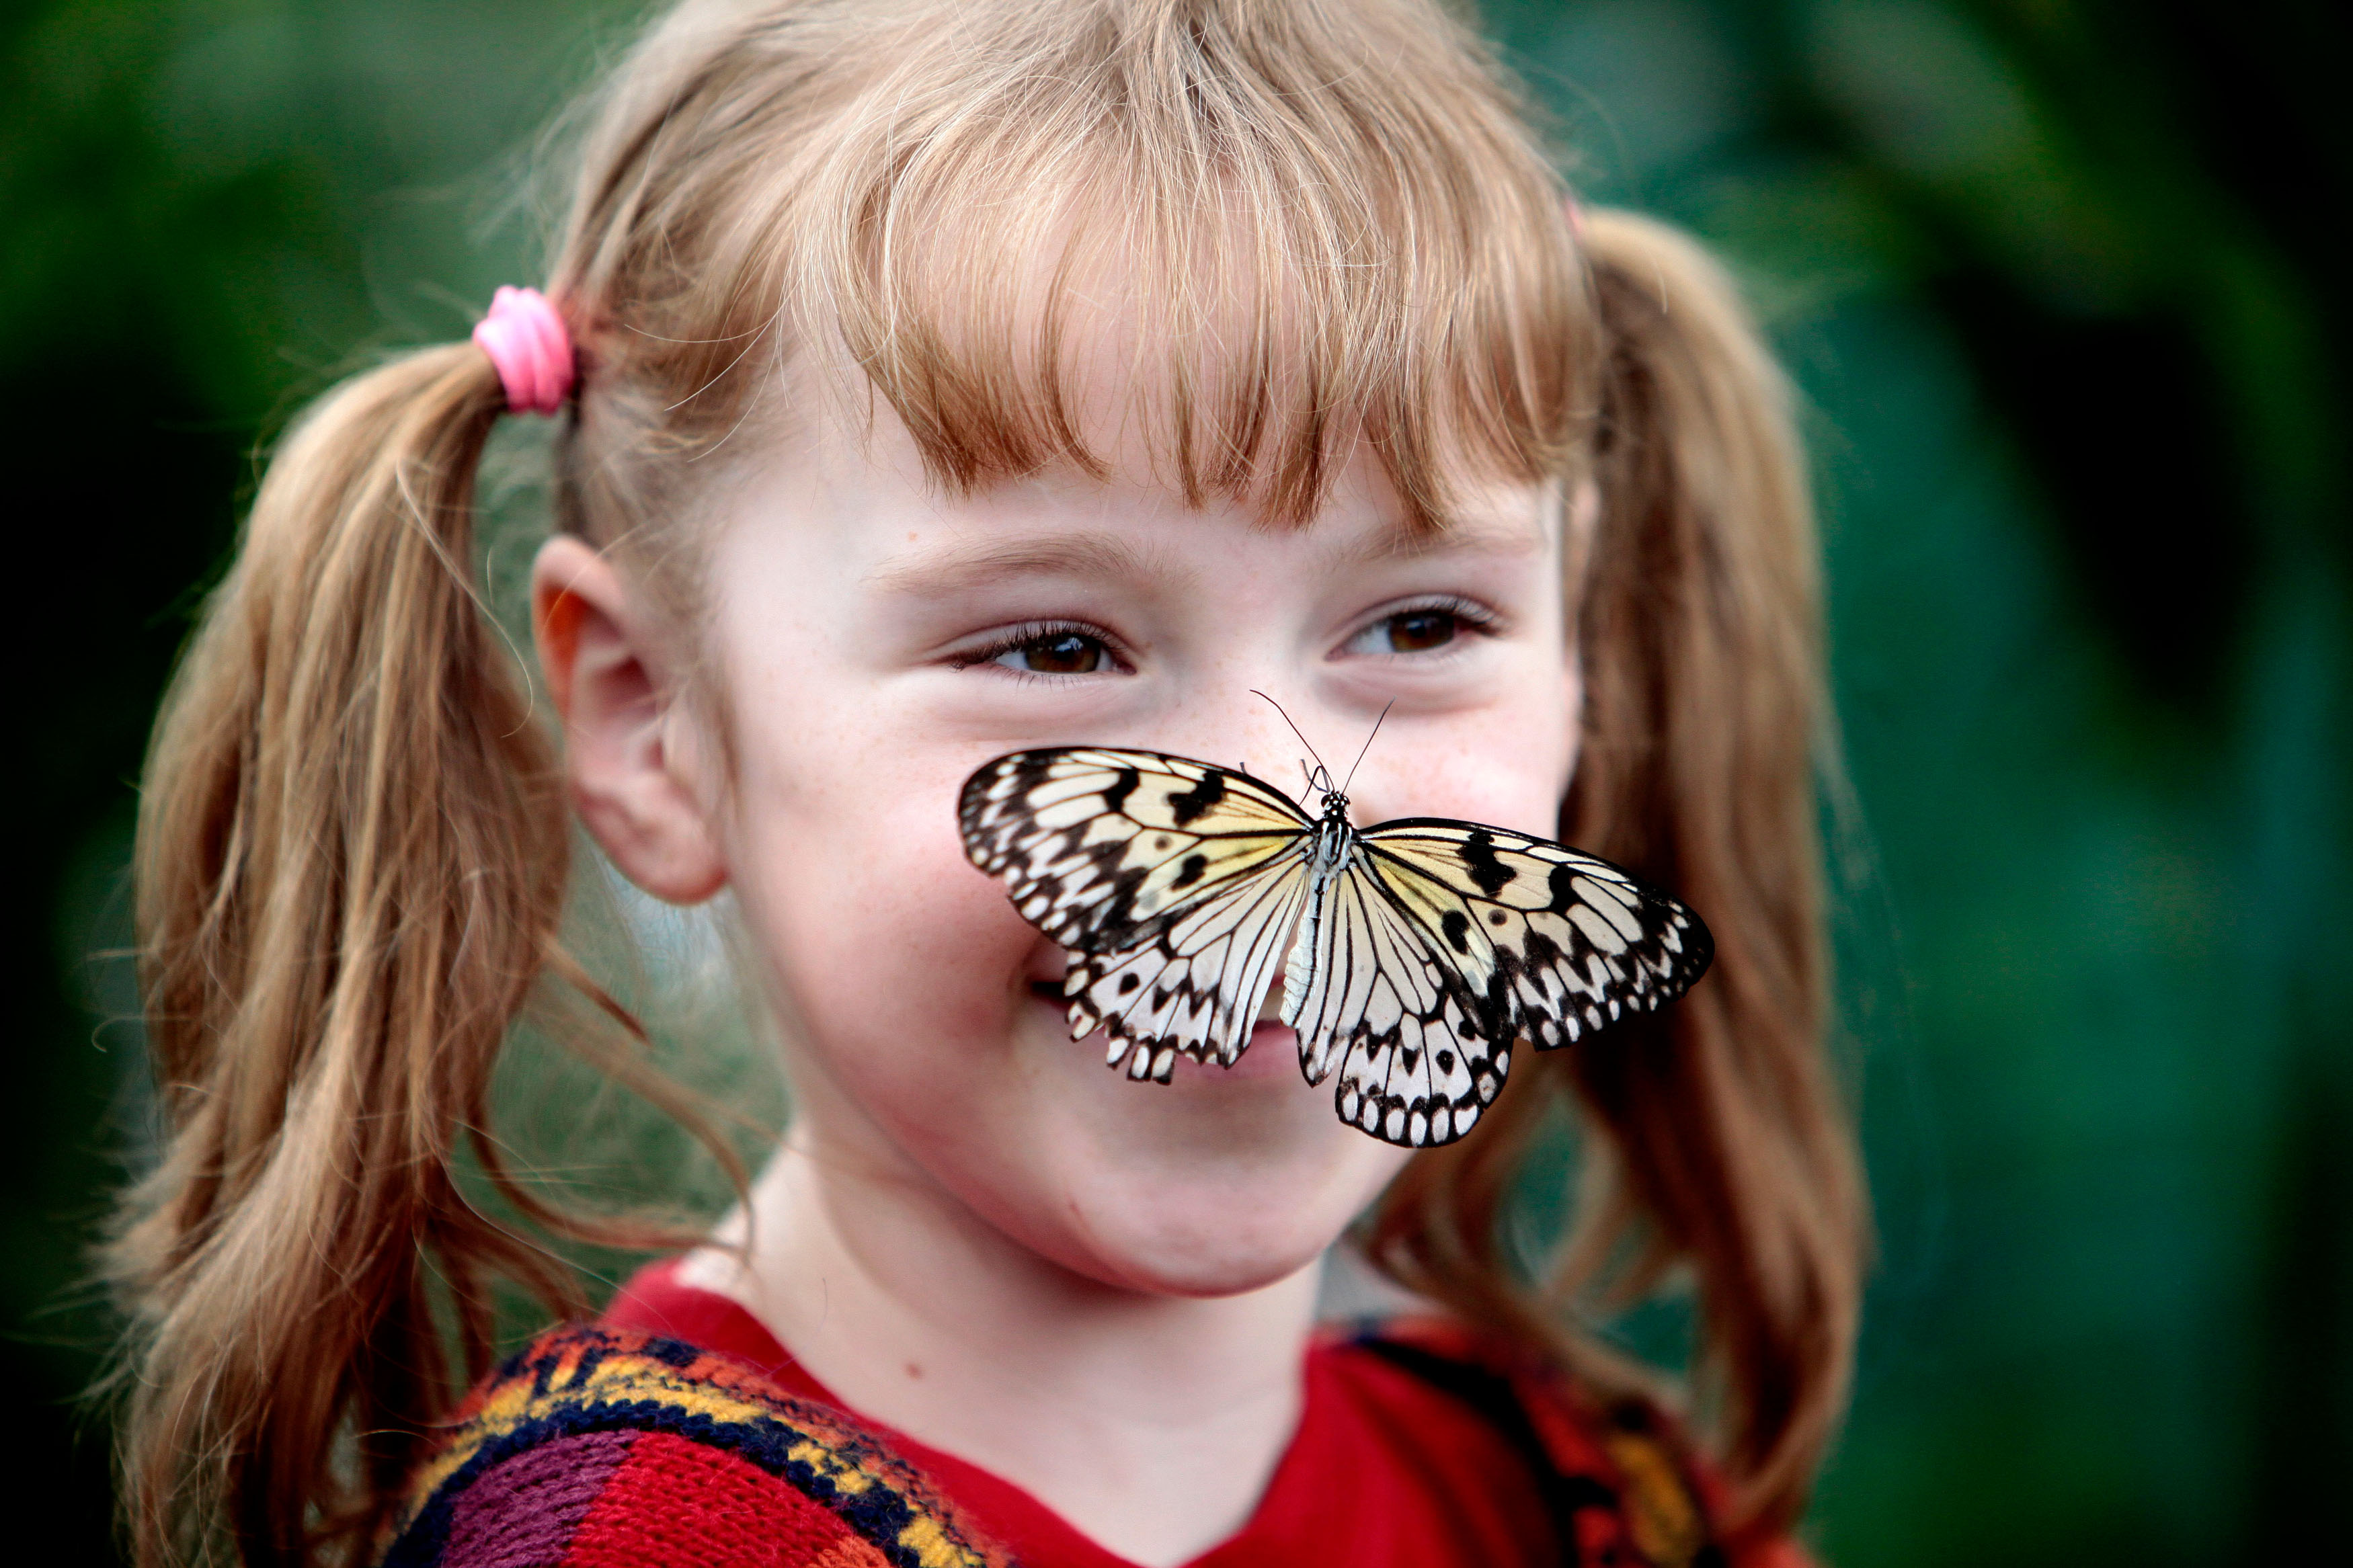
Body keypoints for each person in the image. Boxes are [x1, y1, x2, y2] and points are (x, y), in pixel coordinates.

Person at [106, 1, 1866, 1564]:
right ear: (657, 722)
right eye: (1050, 650)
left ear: (1584, 662)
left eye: (1418, 621)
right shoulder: (664, 1548)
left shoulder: (1579, 1500)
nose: (1259, 775)